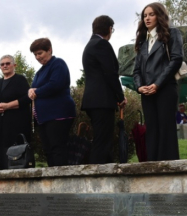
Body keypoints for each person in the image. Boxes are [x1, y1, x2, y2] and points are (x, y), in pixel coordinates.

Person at [133, 2, 183, 161]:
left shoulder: (172, 33)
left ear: (159, 16)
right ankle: (152, 169)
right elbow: (136, 71)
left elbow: (176, 59)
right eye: (145, 16)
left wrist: (158, 84)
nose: (147, 18)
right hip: (147, 93)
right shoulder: (142, 42)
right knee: (152, 131)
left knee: (166, 130)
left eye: (151, 14)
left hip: (166, 89)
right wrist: (140, 87)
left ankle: (168, 171)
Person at [82, 15, 127, 164]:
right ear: (109, 29)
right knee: (102, 142)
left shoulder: (89, 45)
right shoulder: (102, 44)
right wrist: (120, 97)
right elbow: (111, 73)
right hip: (102, 101)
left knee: (102, 140)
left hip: (93, 101)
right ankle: (97, 178)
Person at [28, 38, 76, 167]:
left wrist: (37, 92)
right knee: (48, 150)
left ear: (49, 50)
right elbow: (34, 87)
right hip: (44, 118)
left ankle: (61, 181)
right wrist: (30, 91)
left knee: (57, 148)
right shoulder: (40, 71)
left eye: (40, 53)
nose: (38, 57)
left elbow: (56, 84)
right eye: (35, 55)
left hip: (58, 114)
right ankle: (52, 181)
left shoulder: (58, 64)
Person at [0, 55, 31, 170]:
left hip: (16, 126)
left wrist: (7, 106)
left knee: (17, 159)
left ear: (14, 65)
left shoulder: (20, 80)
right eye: (2, 64)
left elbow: (26, 99)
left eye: (8, 63)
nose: (5, 66)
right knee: (2, 159)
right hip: (0, 128)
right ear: (0, 67)